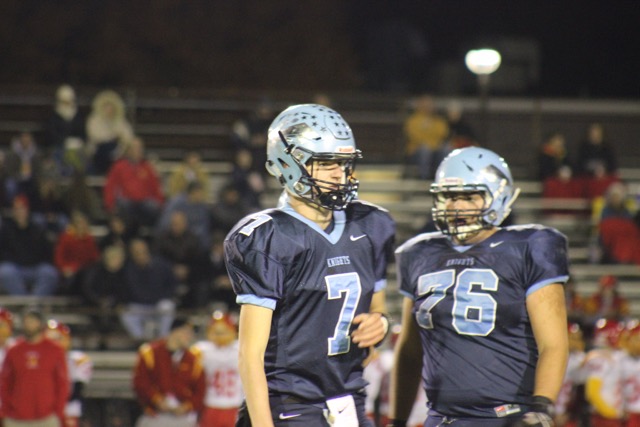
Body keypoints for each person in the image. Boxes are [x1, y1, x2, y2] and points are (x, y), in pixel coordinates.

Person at [224, 103, 396, 426]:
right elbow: (250, 357)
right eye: (326, 163)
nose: (339, 174)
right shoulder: (268, 236)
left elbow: (374, 318)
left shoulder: (370, 225)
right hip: (290, 406)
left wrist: (382, 324)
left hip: (349, 403)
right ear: (288, 164)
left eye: (343, 164)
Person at [389, 146, 570, 426]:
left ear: (498, 197)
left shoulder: (529, 247)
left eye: (469, 197)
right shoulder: (419, 253)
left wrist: (541, 407)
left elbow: (553, 344)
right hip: (440, 418)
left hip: (507, 416)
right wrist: (398, 420)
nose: (457, 207)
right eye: (449, 197)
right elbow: (410, 350)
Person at [0, 309, 69, 427]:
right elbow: (5, 382)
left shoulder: (55, 350)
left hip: (47, 416)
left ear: (40, 324)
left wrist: (58, 411)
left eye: (32, 321)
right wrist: (6, 411)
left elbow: (62, 382)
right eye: (26, 322)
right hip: (17, 417)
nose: (28, 325)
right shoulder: (13, 350)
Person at [132, 317, 205, 427]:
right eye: (186, 332)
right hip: (154, 415)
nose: (189, 337)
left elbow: (200, 390)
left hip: (183, 418)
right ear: (174, 331)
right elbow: (140, 383)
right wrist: (157, 399)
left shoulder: (194, 359)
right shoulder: (150, 353)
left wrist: (187, 406)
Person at [0, 195, 59, 296]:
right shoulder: (6, 230)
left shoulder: (37, 229)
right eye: (16, 209)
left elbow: (46, 252)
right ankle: (24, 302)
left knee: (50, 273)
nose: (19, 212)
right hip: (15, 268)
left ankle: (34, 304)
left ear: (27, 210)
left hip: (35, 267)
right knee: (5, 272)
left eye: (22, 208)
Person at [120, 238, 177, 341]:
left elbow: (171, 285)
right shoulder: (128, 269)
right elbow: (125, 291)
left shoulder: (161, 265)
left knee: (167, 307)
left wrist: (162, 297)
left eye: (143, 251)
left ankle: (162, 340)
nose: (141, 255)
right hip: (139, 306)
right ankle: (141, 340)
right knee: (125, 313)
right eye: (137, 252)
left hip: (157, 304)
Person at [192, 311, 243, 427]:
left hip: (235, 405)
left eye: (224, 331)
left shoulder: (241, 347)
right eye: (215, 332)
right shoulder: (200, 350)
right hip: (210, 405)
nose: (219, 335)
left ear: (233, 331)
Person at [103, 136, 164, 230]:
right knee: (124, 205)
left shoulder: (146, 167)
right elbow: (110, 187)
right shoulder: (118, 166)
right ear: (128, 150)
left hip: (143, 203)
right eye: (135, 148)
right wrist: (110, 204)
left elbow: (155, 187)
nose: (139, 151)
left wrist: (159, 202)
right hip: (127, 203)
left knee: (153, 207)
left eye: (140, 148)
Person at [45, 320, 93, 427]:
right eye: (50, 339)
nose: (54, 343)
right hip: (43, 410)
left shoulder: (77, 359)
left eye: (58, 338)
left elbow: (77, 390)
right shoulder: (38, 360)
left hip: (68, 409)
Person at [583, 318, 626, 426]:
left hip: (617, 414)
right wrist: (611, 412)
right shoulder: (600, 359)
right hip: (605, 416)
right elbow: (592, 392)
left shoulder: (615, 356)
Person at [85, 89, 134, 175]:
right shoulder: (94, 120)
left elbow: (128, 136)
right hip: (98, 152)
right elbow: (95, 136)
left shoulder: (120, 121)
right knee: (106, 148)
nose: (109, 110)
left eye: (111, 107)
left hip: (118, 152)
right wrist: (113, 136)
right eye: (107, 107)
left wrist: (119, 139)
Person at [53, 210, 101, 296]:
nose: (82, 226)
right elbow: (59, 257)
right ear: (74, 225)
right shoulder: (66, 238)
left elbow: (94, 257)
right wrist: (64, 268)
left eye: (84, 223)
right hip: (70, 270)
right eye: (79, 223)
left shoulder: (89, 239)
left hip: (85, 271)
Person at [43, 84, 87, 175]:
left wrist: (76, 142)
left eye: (68, 101)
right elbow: (51, 135)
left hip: (76, 148)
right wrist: (65, 142)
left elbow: (83, 134)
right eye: (64, 102)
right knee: (58, 155)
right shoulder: (53, 117)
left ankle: (76, 177)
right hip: (59, 147)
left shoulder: (78, 117)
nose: (66, 104)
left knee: (80, 156)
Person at [402, 95, 449, 180]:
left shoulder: (438, 120)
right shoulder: (413, 120)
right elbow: (414, 136)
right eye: (425, 104)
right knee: (425, 149)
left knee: (446, 149)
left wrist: (430, 140)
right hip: (416, 151)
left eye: (430, 104)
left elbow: (443, 133)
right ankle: (424, 178)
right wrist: (430, 141)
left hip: (435, 149)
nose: (428, 107)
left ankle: (442, 177)